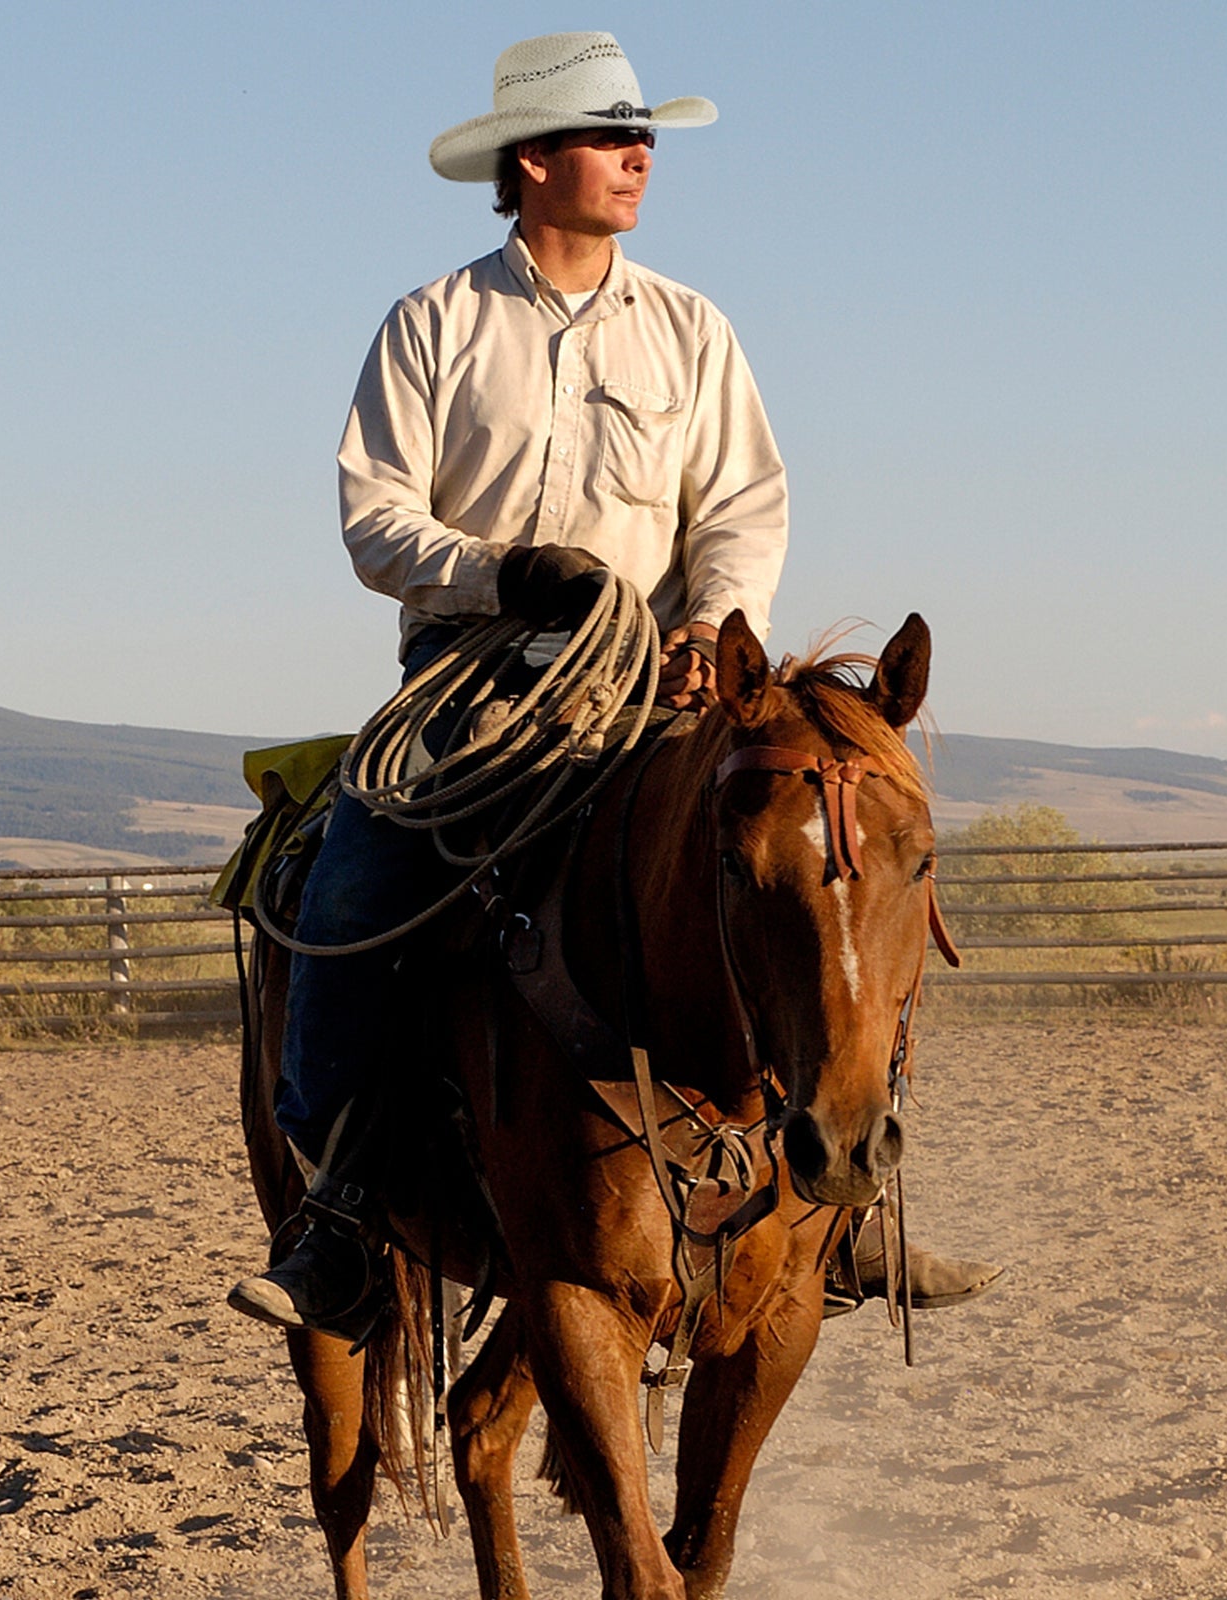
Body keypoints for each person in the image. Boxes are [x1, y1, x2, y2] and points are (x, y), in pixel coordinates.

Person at [229, 31, 999, 1339]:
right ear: (535, 162)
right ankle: (347, 1206)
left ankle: (849, 1199)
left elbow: (743, 510)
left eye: (645, 136)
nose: (640, 157)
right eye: (612, 136)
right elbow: (377, 520)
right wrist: (501, 574)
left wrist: (711, 622)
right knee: (353, 876)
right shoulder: (432, 325)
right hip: (471, 680)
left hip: (659, 679)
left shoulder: (693, 331)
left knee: (818, 870)